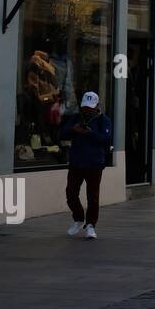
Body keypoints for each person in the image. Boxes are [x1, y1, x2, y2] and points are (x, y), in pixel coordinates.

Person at [62, 91, 113, 239]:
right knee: (70, 193)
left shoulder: (104, 120)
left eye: (90, 107)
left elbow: (105, 138)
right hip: (76, 162)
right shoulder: (76, 119)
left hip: (95, 163)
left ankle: (90, 225)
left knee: (93, 196)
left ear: (97, 105)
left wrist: (89, 133)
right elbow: (62, 134)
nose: (87, 110)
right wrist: (74, 130)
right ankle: (78, 218)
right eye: (85, 107)